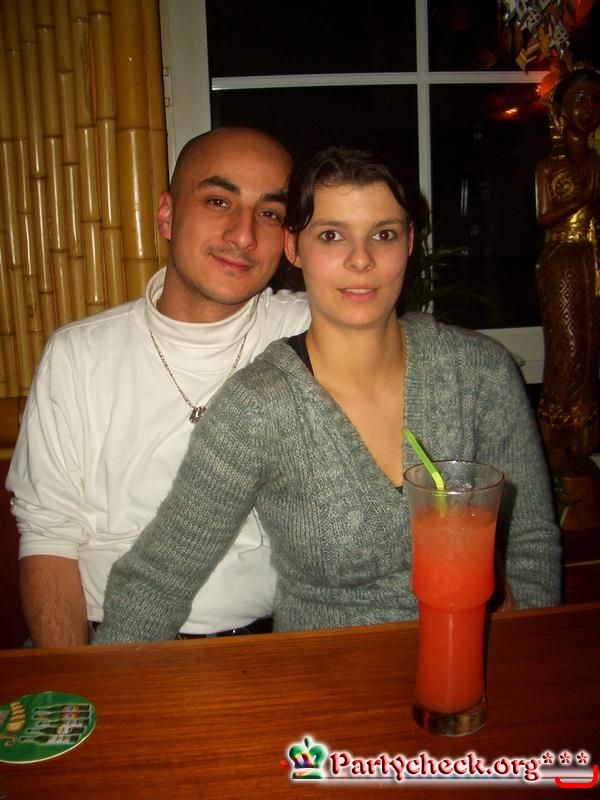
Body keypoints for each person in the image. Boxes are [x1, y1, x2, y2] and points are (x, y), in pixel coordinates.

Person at [94, 139, 562, 644]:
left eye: (383, 234)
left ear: (409, 242)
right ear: (294, 247)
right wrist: (109, 685)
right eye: (332, 235)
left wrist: (524, 656)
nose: (361, 260)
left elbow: (530, 543)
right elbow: (159, 578)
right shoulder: (259, 407)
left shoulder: (479, 373)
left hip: (470, 659)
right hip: (327, 678)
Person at [6, 126, 311, 647]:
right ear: (167, 215)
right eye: (218, 201)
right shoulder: (79, 355)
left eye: (269, 213)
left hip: (270, 645)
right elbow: (49, 535)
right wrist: (79, 681)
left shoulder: (309, 332)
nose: (243, 235)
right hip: (111, 641)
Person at [535, 66, 600, 477]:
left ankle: (581, 439)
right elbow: (544, 217)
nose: (589, 107)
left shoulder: (596, 161)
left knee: (590, 349)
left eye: (595, 99)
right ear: (561, 110)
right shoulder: (549, 166)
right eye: (580, 99)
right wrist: (584, 198)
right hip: (561, 258)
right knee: (569, 350)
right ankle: (556, 437)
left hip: (592, 257)